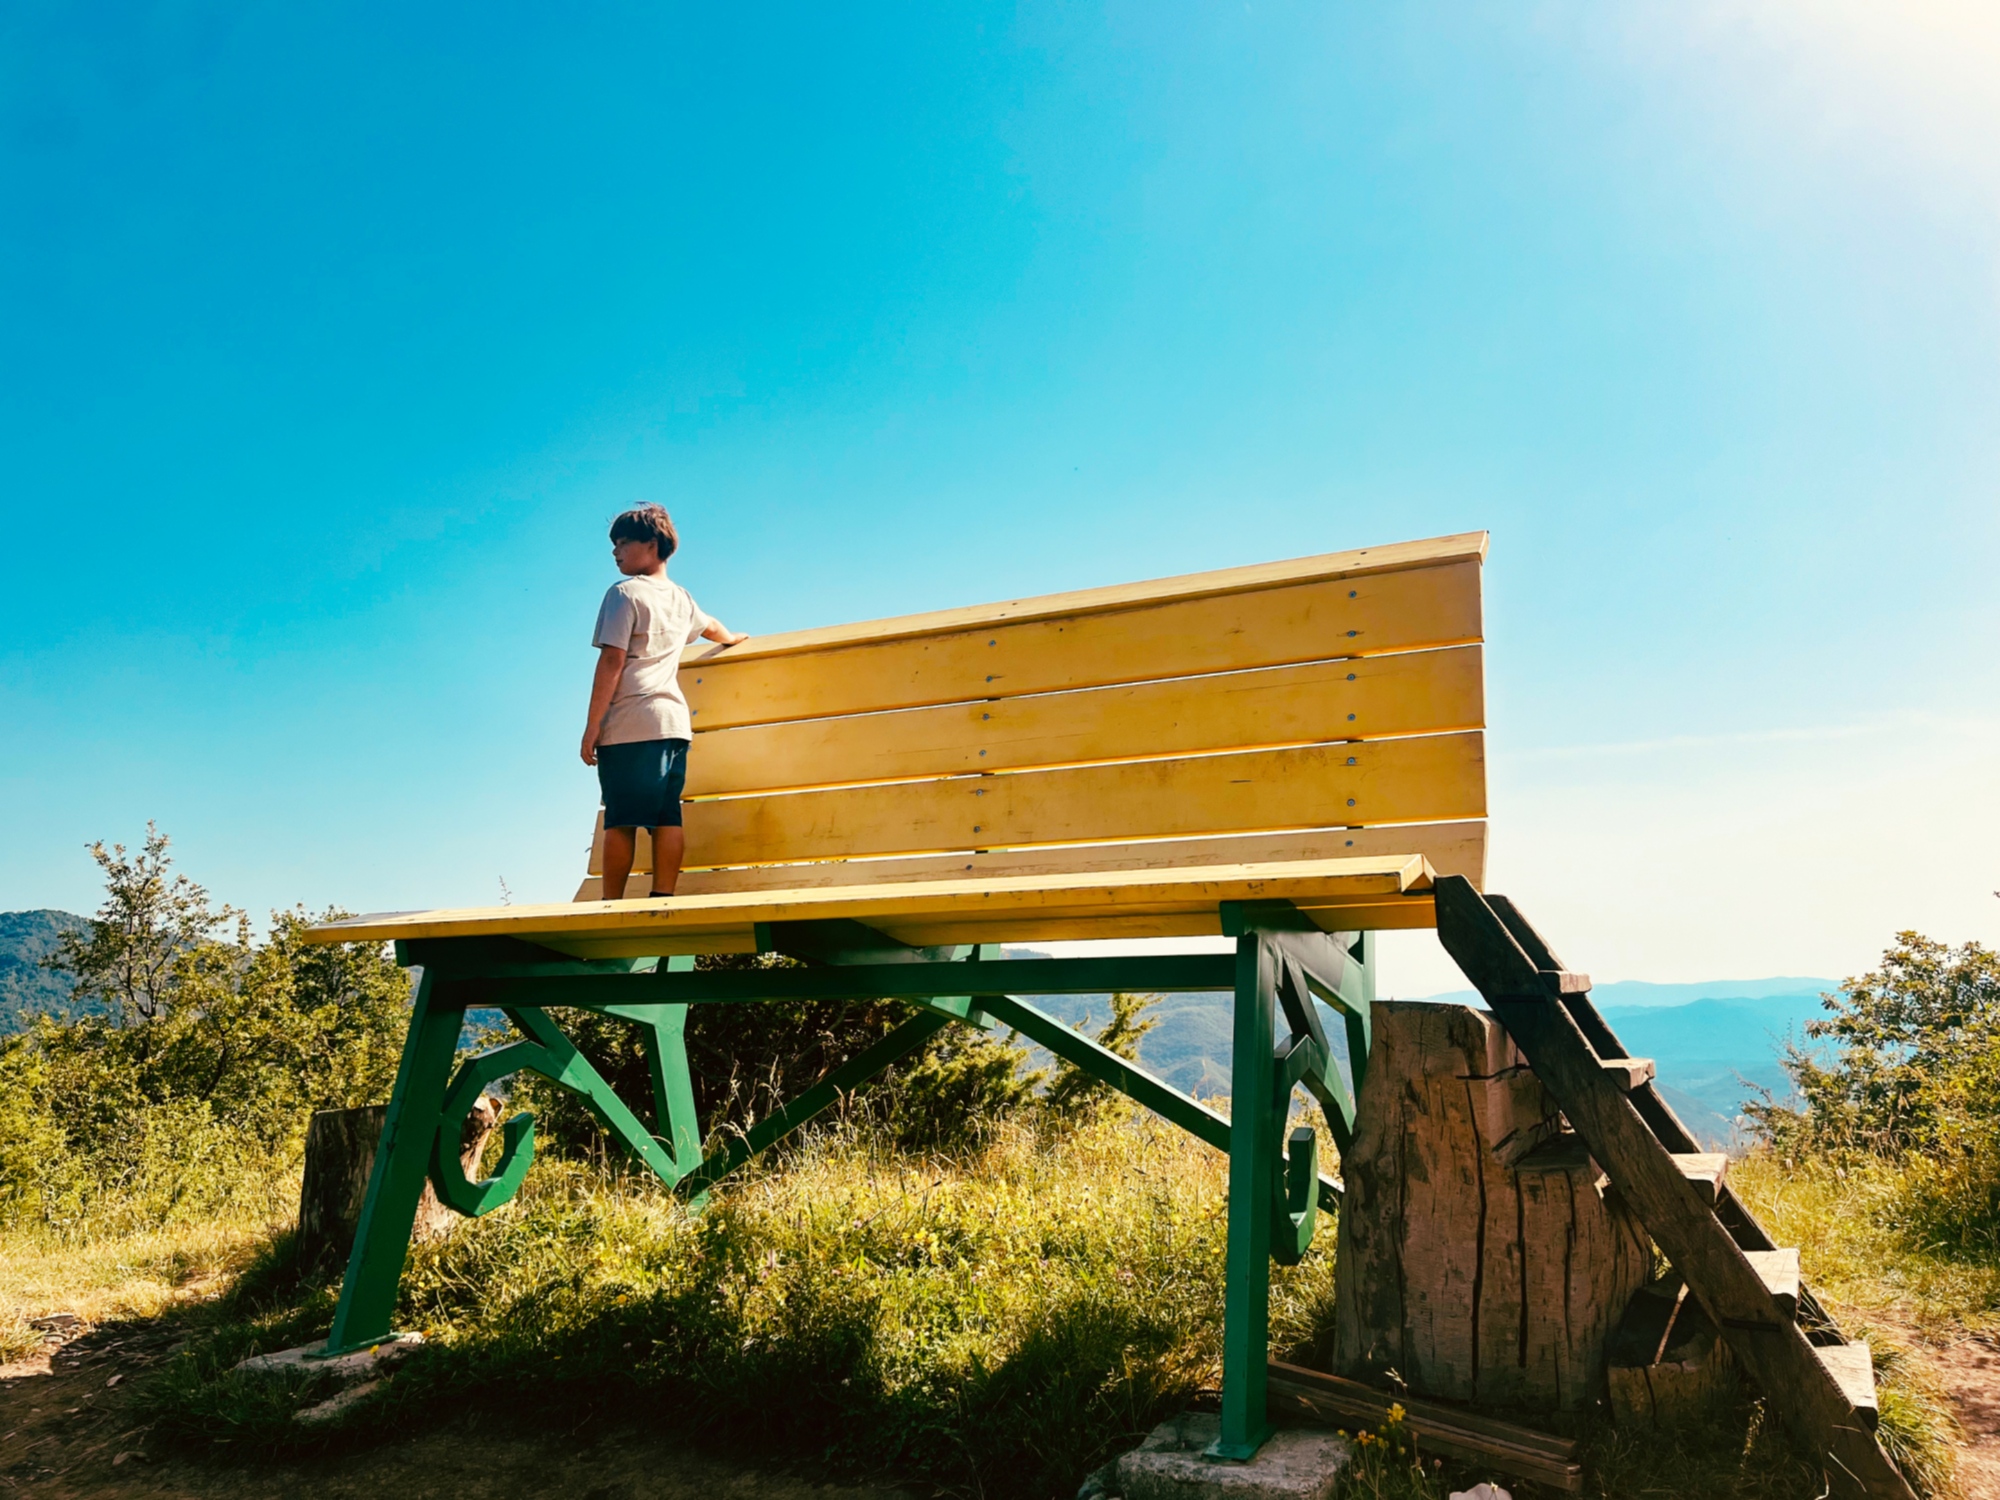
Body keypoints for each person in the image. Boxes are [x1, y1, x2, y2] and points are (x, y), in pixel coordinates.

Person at [580, 504, 747, 899]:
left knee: (619, 819)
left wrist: (592, 726)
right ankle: (662, 897)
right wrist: (734, 639)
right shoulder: (682, 598)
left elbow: (612, 660)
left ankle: (610, 905)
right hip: (673, 724)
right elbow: (712, 627)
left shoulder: (623, 594)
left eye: (623, 542)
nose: (615, 552)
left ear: (651, 545)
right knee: (666, 814)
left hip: (631, 722)